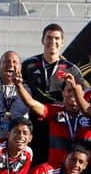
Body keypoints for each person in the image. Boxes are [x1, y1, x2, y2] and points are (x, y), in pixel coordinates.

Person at [21, 24, 87, 163]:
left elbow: (81, 94)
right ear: (42, 40)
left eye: (57, 38)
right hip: (33, 123)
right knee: (33, 163)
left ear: (62, 42)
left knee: (55, 164)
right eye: (49, 38)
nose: (53, 41)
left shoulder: (71, 69)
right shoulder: (28, 65)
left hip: (59, 125)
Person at [13, 73, 91, 168]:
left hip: (84, 172)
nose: (72, 94)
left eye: (75, 91)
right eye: (69, 90)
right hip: (57, 170)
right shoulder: (54, 111)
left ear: (83, 94)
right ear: (63, 93)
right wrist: (18, 85)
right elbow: (31, 103)